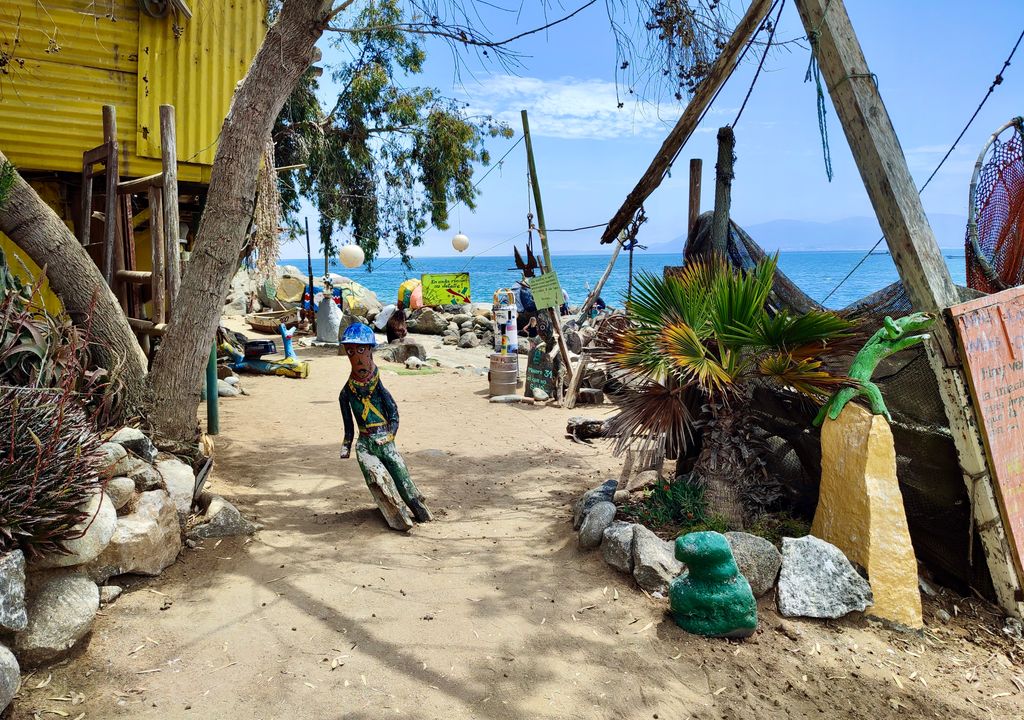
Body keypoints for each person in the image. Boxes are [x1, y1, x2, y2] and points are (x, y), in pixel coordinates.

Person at [338, 323, 432, 530]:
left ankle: (420, 510)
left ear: (370, 350)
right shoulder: (346, 393)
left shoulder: (378, 387)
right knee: (380, 481)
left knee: (402, 478)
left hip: (385, 440)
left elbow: (394, 414)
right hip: (364, 443)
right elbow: (348, 427)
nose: (358, 358)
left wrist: (390, 435)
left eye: (361, 350)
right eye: (351, 351)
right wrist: (346, 444)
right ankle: (398, 518)